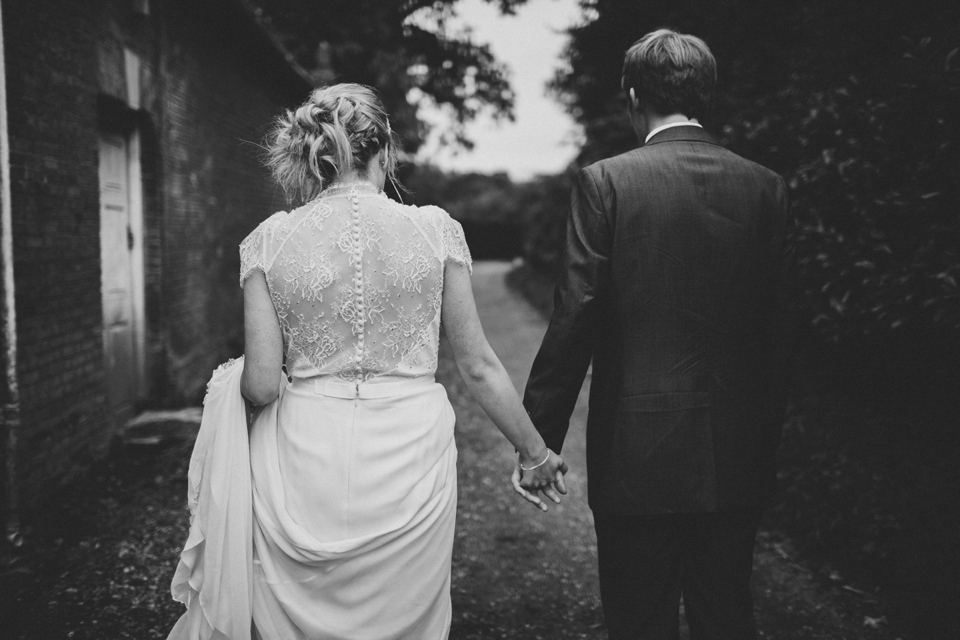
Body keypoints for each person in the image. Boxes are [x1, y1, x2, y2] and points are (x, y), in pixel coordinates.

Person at [167, 83, 567, 640]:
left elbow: (261, 386)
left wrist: (224, 389)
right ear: (385, 152)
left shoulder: (269, 242)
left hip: (305, 456)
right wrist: (534, 452)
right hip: (410, 453)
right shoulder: (436, 230)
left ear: (318, 157)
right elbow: (478, 366)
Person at [522, 29, 796, 640]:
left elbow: (576, 317)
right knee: (726, 615)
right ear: (706, 94)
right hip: (735, 453)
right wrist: (765, 447)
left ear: (633, 96)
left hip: (634, 457)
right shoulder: (766, 187)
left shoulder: (607, 183)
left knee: (639, 620)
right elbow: (779, 336)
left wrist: (537, 441)